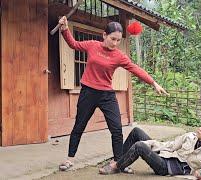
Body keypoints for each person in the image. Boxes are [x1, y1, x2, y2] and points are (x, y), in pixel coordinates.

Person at [57, 16, 169, 171]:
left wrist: (153, 82)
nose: (115, 43)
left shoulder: (119, 56)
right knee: (79, 126)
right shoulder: (92, 45)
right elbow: (73, 44)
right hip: (88, 92)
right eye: (112, 39)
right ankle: (70, 159)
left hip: (107, 95)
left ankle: (119, 163)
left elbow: (135, 68)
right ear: (104, 35)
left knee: (116, 129)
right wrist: (65, 29)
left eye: (118, 40)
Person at [99, 121, 201, 180]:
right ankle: (120, 161)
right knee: (137, 132)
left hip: (168, 168)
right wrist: (151, 144)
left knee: (139, 146)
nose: (200, 128)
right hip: (165, 155)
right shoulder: (190, 136)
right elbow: (171, 145)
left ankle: (116, 166)